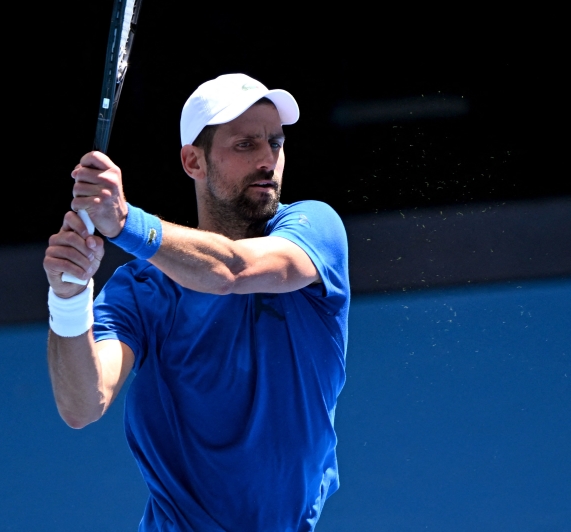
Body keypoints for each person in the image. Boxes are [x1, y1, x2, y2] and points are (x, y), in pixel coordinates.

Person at [43, 73, 349, 531]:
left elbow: (232, 270)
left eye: (276, 142)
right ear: (193, 161)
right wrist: (68, 299)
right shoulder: (141, 290)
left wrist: (125, 221)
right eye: (245, 145)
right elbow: (82, 404)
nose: (268, 159)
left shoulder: (315, 230)